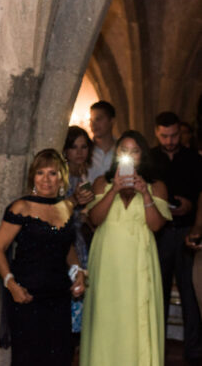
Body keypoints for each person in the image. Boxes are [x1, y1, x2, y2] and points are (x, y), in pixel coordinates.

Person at [80, 130, 171, 366]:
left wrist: (144, 194)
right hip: (108, 259)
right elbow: (94, 219)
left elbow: (156, 225)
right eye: (123, 150)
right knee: (107, 316)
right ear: (116, 155)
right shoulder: (102, 182)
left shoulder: (156, 186)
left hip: (140, 258)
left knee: (136, 317)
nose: (128, 155)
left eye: (134, 151)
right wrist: (114, 190)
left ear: (143, 156)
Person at [0, 149, 85, 366]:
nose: (46, 179)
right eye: (40, 172)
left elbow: (67, 248)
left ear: (62, 177)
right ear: (33, 176)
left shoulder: (67, 207)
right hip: (27, 296)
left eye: (52, 173)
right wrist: (11, 285)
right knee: (28, 358)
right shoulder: (21, 207)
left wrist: (78, 272)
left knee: (60, 356)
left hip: (59, 295)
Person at [151, 111, 202, 363]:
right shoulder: (150, 158)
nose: (169, 140)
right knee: (156, 294)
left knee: (190, 295)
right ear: (156, 133)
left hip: (186, 232)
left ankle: (193, 353)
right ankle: (156, 351)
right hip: (159, 234)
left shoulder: (193, 158)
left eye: (173, 135)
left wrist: (190, 208)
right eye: (164, 136)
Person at [62, 126, 95, 342]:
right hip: (64, 240)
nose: (79, 152)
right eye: (74, 147)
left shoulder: (83, 174)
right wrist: (74, 201)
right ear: (65, 150)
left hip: (79, 238)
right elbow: (51, 210)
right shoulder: (61, 175)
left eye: (84, 147)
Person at [87, 100, 116, 184]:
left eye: (98, 119)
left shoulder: (122, 149)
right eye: (91, 121)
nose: (93, 125)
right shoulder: (85, 151)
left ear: (112, 121)